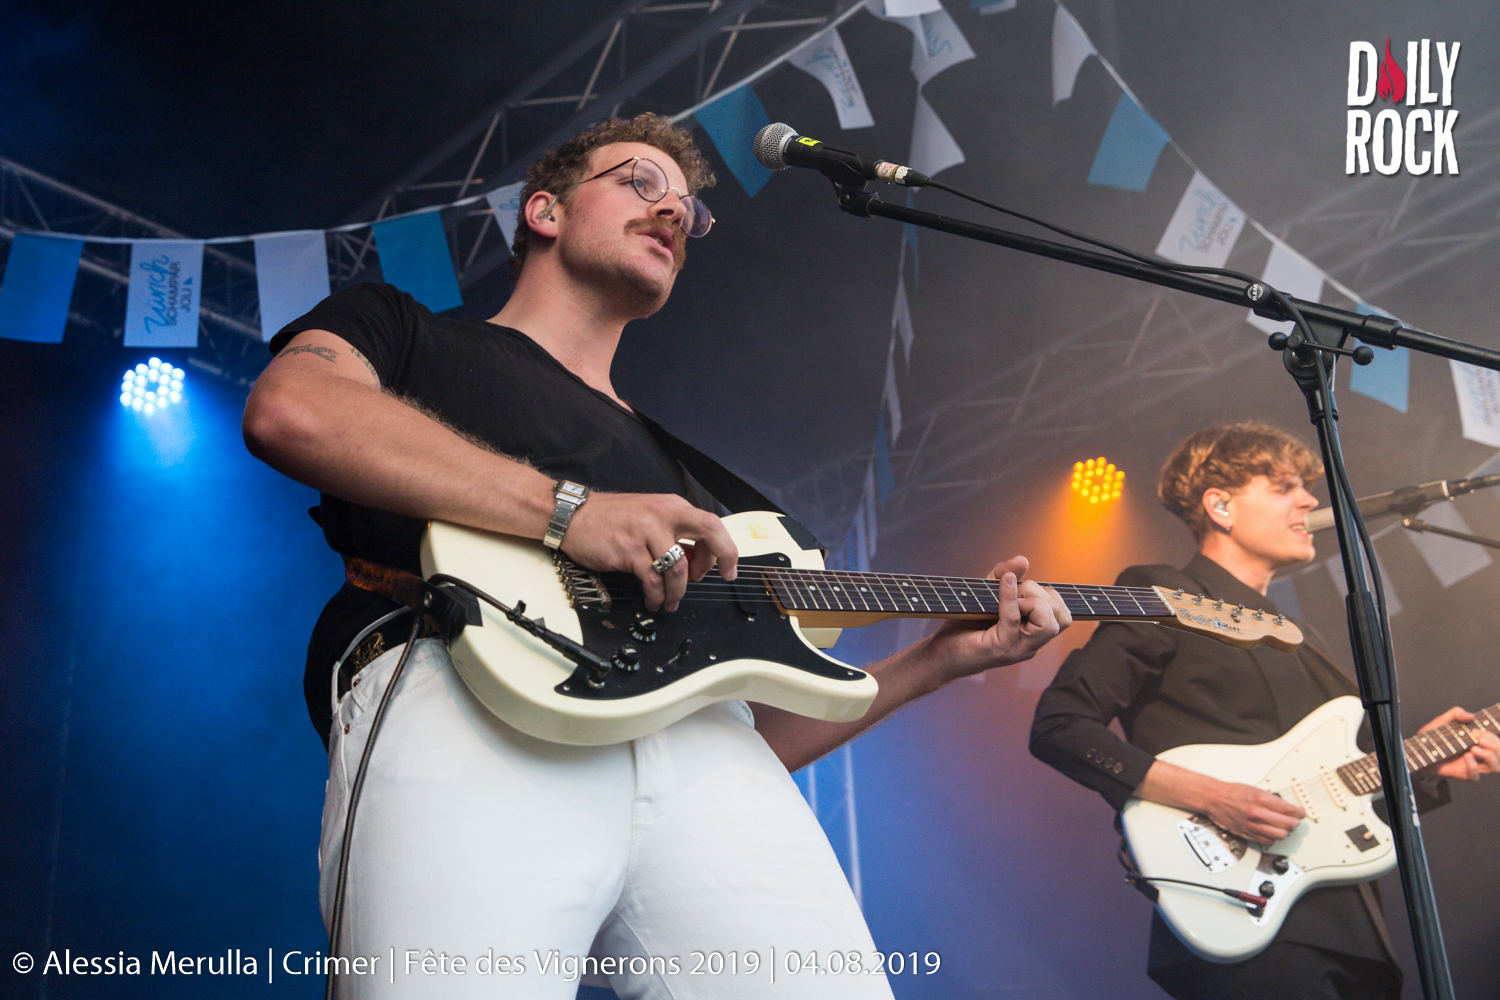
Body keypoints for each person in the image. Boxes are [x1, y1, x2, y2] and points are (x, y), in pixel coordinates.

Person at [242, 113, 1072, 999]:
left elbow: (732, 710)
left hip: (712, 761)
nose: (675, 211)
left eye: (689, 208)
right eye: (640, 182)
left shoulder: (698, 490)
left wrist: (938, 660)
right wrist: (568, 512)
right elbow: (294, 411)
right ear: (545, 211)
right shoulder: (403, 328)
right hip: (458, 690)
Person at [1029, 422, 1500, 1000]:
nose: (1307, 501)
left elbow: (1332, 790)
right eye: (1284, 488)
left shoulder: (1301, 636)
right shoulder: (1166, 594)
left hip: (1349, 930)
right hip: (1237, 910)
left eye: (1305, 488)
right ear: (1220, 506)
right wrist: (1212, 796)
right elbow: (1060, 725)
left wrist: (1420, 767)